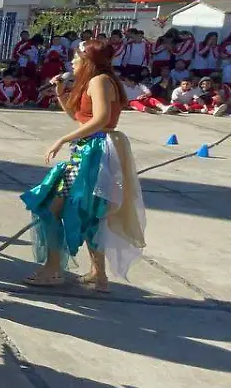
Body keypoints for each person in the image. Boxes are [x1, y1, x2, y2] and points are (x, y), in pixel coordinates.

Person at [21, 40, 146, 292]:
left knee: (51, 205)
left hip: (94, 152)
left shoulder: (99, 81)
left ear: (87, 61)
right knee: (89, 212)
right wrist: (60, 92)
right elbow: (79, 117)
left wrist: (64, 138)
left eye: (76, 59)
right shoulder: (94, 81)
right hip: (89, 149)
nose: (72, 63)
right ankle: (98, 275)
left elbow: (100, 120)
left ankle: (53, 269)